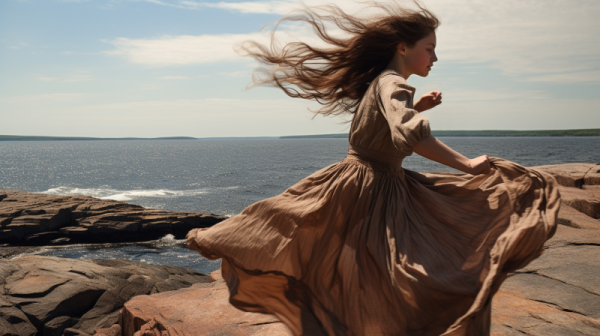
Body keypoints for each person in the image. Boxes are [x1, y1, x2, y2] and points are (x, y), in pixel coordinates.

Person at [187, 2, 560, 335]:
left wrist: (420, 108)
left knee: (359, 266)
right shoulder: (393, 83)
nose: (434, 57)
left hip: (367, 181)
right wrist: (466, 164)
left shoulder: (384, 83)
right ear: (403, 47)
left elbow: (388, 127)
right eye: (429, 48)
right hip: (373, 187)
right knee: (406, 272)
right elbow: (410, 135)